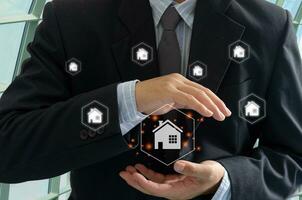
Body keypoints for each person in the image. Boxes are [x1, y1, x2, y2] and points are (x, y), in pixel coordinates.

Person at [0, 0, 301, 199]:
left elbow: (293, 157)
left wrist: (224, 181)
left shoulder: (270, 27)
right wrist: (130, 101)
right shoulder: (71, 18)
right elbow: (9, 148)